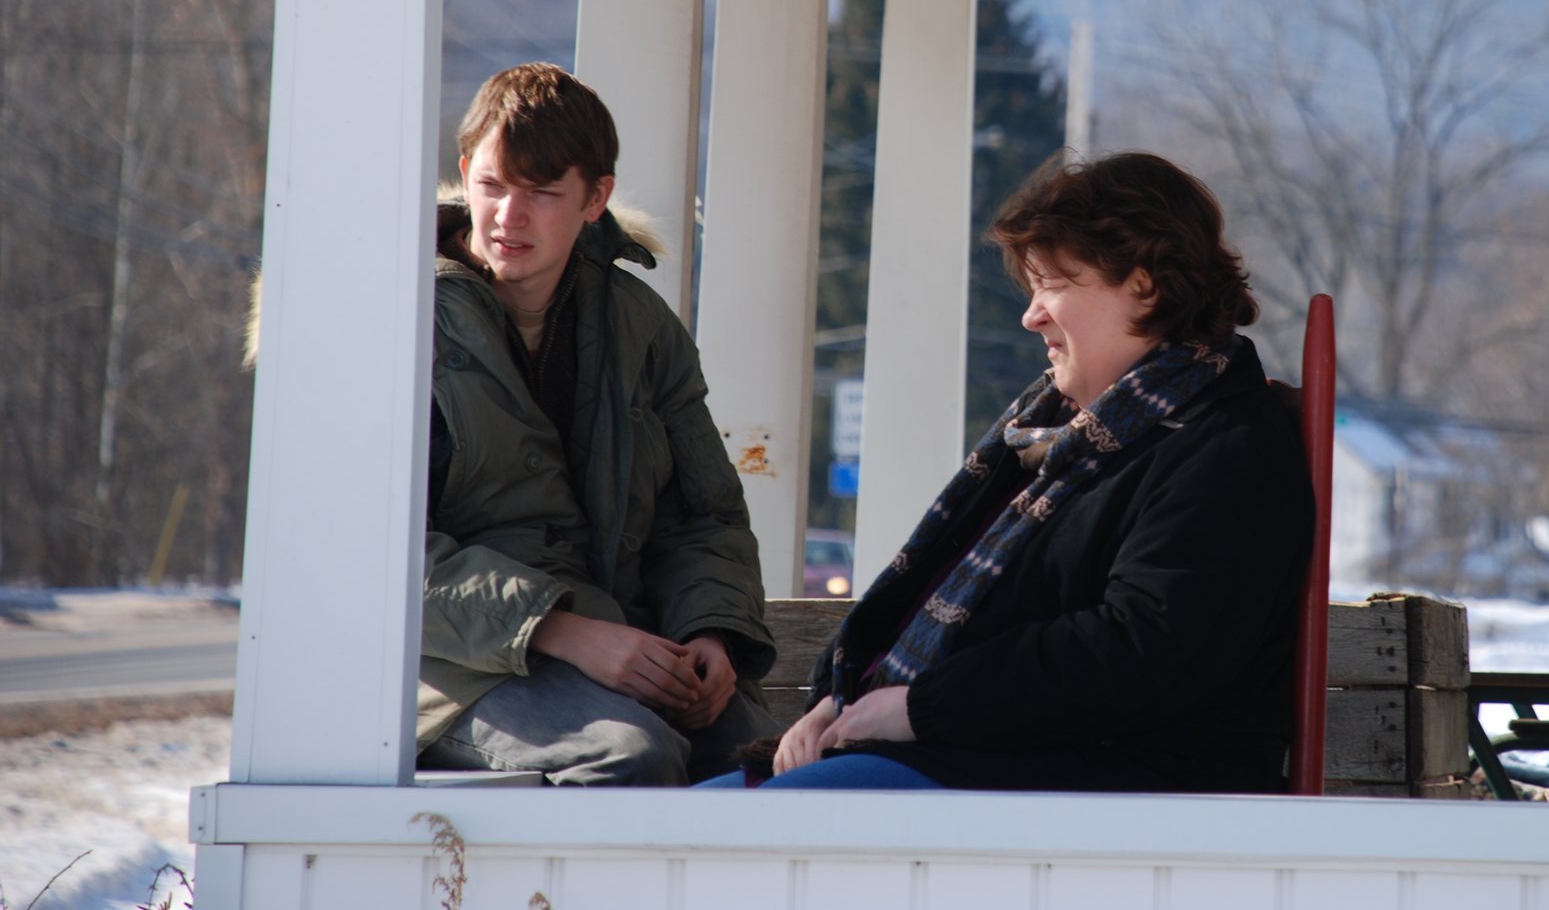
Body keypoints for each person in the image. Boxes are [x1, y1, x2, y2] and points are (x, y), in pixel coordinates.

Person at [712, 152, 1313, 792]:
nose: (1031, 316)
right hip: (981, 763)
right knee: (691, 824)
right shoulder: (1055, 433)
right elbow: (952, 608)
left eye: (1053, 286)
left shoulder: (1227, 451)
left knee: (703, 848)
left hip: (1107, 796)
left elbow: (1142, 651)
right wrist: (845, 698)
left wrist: (918, 709)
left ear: (1145, 284)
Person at [416, 63, 777, 785]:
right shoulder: (400, 316)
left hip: (627, 648)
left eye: (543, 193)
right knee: (633, 757)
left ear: (596, 197)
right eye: (491, 184)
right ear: (465, 172)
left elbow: (704, 515)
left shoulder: (638, 323)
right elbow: (370, 555)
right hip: (447, 670)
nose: (507, 216)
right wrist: (559, 628)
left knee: (764, 767)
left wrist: (711, 631)